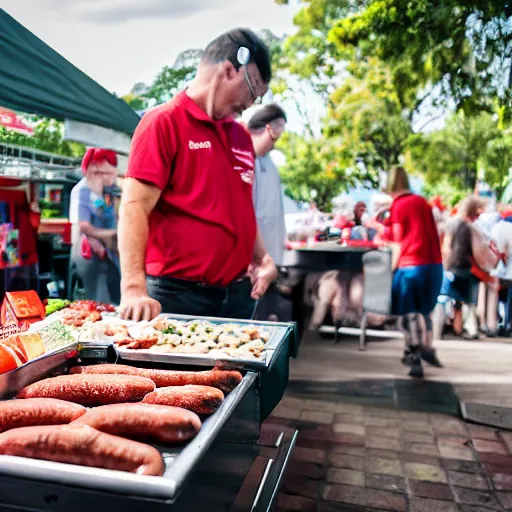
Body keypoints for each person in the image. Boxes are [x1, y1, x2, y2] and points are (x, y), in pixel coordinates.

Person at [118, 28, 277, 323]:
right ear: (229, 70)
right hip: (178, 295)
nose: (251, 104)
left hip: (237, 295)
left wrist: (262, 257)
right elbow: (134, 206)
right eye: (253, 89)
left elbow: (241, 206)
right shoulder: (163, 122)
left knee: (238, 370)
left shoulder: (240, 136)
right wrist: (133, 288)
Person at [371, 166, 443, 378]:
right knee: (424, 311)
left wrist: (376, 226)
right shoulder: (423, 202)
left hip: (411, 266)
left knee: (407, 313)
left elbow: (397, 241)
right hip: (433, 266)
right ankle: (427, 347)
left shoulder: (398, 206)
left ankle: (414, 354)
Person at [247, 104, 289, 321]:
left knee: (267, 316)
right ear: (271, 128)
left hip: (270, 257)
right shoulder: (246, 158)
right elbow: (246, 211)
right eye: (279, 129)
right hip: (253, 260)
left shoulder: (269, 163)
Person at [69, 148, 120, 304]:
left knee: (114, 298)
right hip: (91, 253)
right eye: (101, 172)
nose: (107, 177)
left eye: (110, 172)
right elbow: (83, 226)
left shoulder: (109, 191)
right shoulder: (82, 190)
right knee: (100, 301)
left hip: (110, 253)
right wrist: (111, 235)